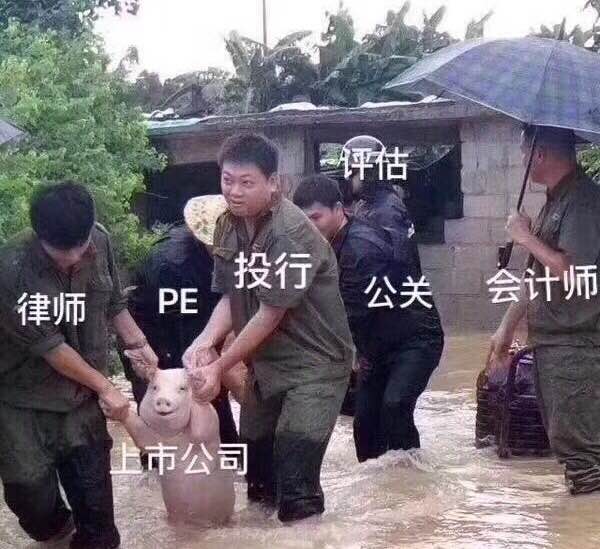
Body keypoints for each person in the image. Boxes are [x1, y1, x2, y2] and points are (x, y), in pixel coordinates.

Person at [182, 133, 354, 522]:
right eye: (228, 180)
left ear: (273, 182)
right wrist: (204, 342)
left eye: (246, 182)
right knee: (258, 478)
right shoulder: (227, 225)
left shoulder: (289, 233)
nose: (234, 191)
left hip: (315, 366)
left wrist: (219, 366)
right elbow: (232, 295)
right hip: (266, 365)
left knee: (295, 482)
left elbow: (269, 313)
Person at [0, 182, 158, 548]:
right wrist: (110, 391)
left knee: (97, 515)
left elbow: (113, 302)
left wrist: (139, 345)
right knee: (34, 502)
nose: (73, 258)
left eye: (80, 247)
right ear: (39, 235)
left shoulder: (99, 240)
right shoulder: (10, 271)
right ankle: (57, 530)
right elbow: (51, 347)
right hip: (22, 400)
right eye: (60, 253)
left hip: (81, 397)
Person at [293, 174, 444, 462]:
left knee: (395, 406)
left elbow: (348, 316)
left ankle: (412, 478)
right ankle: (380, 485)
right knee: (364, 424)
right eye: (304, 221)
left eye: (316, 218)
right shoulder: (329, 240)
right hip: (377, 345)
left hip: (415, 340)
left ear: (339, 210)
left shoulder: (361, 250)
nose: (310, 227)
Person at [492, 125, 600, 494]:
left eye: (525, 153)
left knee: (583, 457)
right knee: (570, 446)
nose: (523, 159)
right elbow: (536, 276)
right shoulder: (556, 200)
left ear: (539, 154)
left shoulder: (583, 201)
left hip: (577, 346)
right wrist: (506, 328)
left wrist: (525, 237)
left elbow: (573, 273)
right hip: (554, 343)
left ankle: (587, 521)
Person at [119, 197, 246, 466]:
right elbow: (187, 341)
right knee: (165, 423)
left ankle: (230, 466)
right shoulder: (173, 267)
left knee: (217, 421)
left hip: (193, 333)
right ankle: (157, 480)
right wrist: (222, 374)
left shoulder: (229, 258)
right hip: (153, 344)